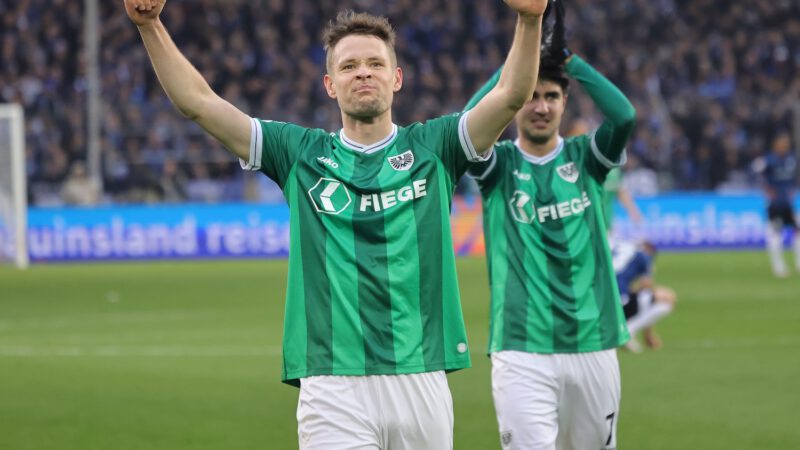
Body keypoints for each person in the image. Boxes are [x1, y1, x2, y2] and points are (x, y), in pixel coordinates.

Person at [123, 1, 547, 449]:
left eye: (375, 64)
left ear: (396, 77)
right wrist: (150, 26)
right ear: (330, 84)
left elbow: (510, 96)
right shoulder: (300, 154)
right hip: (331, 383)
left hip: (420, 374)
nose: (363, 73)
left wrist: (530, 18)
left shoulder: (435, 147)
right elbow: (200, 104)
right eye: (349, 66)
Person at [463, 1, 634, 448]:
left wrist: (571, 62)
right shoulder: (496, 165)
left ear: (564, 102)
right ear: (517, 102)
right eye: (531, 95)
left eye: (551, 96)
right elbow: (466, 122)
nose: (540, 106)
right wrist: (521, 58)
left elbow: (625, 116)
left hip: (593, 343)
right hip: (521, 349)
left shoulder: (586, 158)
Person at [611, 239, 676, 353]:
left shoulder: (619, 247)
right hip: (620, 300)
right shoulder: (644, 256)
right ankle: (627, 333)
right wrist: (648, 333)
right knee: (666, 300)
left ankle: (622, 331)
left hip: (599, 297)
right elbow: (646, 285)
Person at [751, 131, 800, 278]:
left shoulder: (792, 159)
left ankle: (798, 262)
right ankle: (778, 266)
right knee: (775, 233)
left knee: (797, 231)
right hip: (774, 204)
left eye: (786, 144)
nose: (784, 146)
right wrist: (767, 189)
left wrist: (793, 189)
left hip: (787, 202)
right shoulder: (768, 160)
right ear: (776, 145)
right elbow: (754, 171)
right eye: (782, 144)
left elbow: (794, 177)